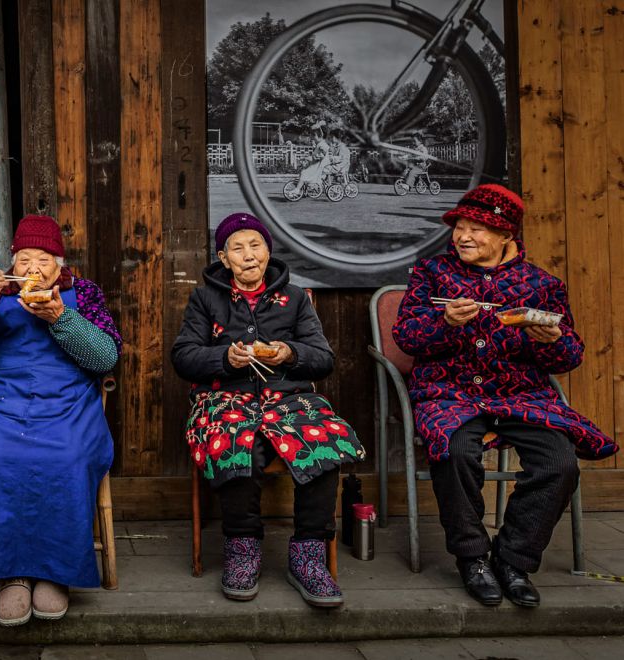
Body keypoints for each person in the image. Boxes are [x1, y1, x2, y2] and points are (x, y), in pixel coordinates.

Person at [392, 184, 617, 608]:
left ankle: (514, 560)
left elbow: (569, 357)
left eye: (477, 229)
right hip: (449, 392)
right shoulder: (432, 274)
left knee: (559, 462)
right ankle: (473, 557)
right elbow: (406, 336)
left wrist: (549, 339)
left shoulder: (542, 285)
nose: (463, 236)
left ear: (505, 236)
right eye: (460, 227)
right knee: (454, 452)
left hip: (521, 396)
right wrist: (444, 321)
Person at [172, 212, 364, 609]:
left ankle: (308, 554)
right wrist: (225, 358)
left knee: (325, 438)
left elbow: (323, 359)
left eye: (255, 245)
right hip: (223, 398)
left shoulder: (294, 299)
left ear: (268, 251)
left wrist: (290, 352)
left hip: (288, 397)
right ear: (223, 259)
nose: (248, 255)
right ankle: (243, 549)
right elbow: (184, 357)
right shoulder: (205, 298)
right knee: (235, 440)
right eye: (237, 248)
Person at [0, 215, 121, 627]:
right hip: (1, 403)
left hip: (69, 405)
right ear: (12, 265)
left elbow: (105, 358)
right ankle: (12, 573)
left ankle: (55, 572)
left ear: (60, 265)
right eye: (24, 259)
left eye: (44, 259)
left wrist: (61, 318)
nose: (33, 269)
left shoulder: (84, 294)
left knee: (68, 456)